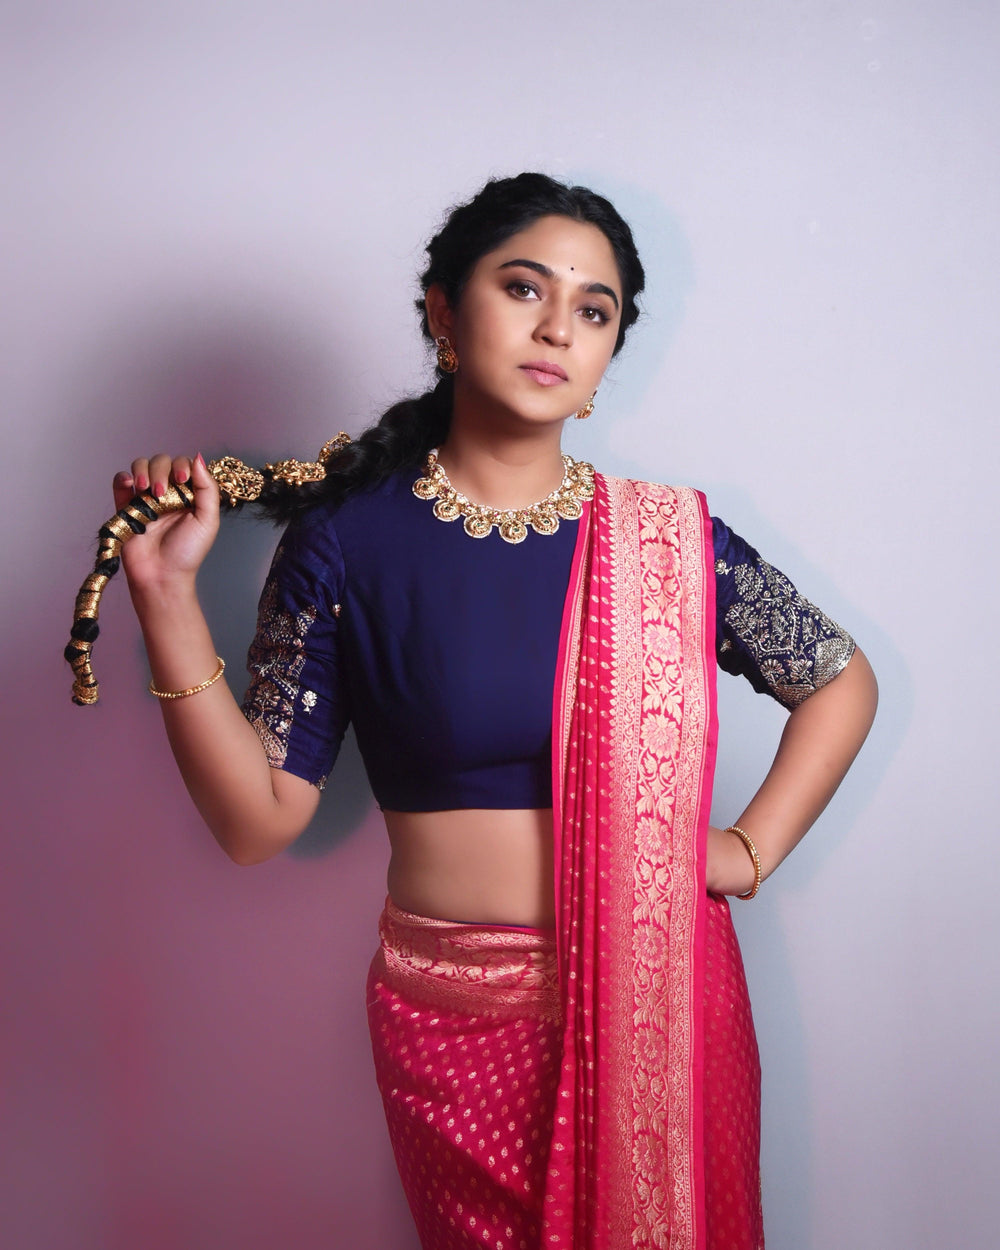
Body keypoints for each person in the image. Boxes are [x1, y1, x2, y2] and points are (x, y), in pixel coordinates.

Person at [113, 172, 877, 1250]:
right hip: (451, 1017)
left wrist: (748, 849)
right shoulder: (347, 540)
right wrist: (165, 599)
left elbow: (839, 679)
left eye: (594, 310)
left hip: (658, 994)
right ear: (443, 312)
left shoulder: (665, 545)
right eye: (524, 287)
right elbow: (259, 820)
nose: (558, 326)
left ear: (607, 355)